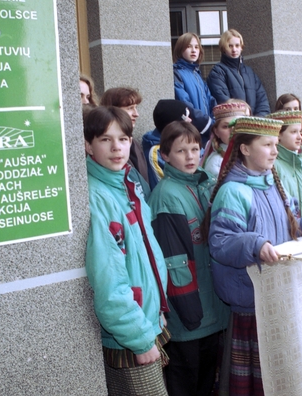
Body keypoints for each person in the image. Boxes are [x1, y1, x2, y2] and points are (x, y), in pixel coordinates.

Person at [206, 116, 302, 394]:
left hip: (276, 296)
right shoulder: (233, 192)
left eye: (275, 144)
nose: (275, 151)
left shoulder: (272, 185)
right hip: (251, 302)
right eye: (267, 144)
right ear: (244, 149)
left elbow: (290, 227)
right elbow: (220, 242)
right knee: (257, 385)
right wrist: (255, 245)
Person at [83, 106, 170, 396]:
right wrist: (140, 337)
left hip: (145, 320)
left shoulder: (128, 183)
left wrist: (157, 312)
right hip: (130, 335)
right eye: (105, 140)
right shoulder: (98, 197)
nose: (116, 147)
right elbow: (109, 283)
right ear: (88, 144)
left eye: (123, 139)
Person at [148, 121, 230, 396]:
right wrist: (190, 313)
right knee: (186, 383)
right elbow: (174, 261)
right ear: (165, 155)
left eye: (195, 149)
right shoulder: (167, 195)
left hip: (210, 309)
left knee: (207, 380)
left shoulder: (204, 183)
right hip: (189, 316)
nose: (191, 156)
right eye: (181, 151)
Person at [143, 100, 210, 189]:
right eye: (185, 117)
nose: (190, 120)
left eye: (194, 149)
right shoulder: (156, 152)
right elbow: (161, 185)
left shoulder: (187, 140)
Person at [207, 29, 270, 116]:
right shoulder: (218, 72)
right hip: (232, 124)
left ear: (241, 47)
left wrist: (258, 121)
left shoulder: (250, 72)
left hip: (254, 126)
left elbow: (262, 101)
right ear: (223, 48)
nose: (234, 49)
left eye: (237, 45)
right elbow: (223, 101)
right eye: (230, 46)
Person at [100, 87, 150, 186]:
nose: (136, 114)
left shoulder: (134, 143)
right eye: (130, 108)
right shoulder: (101, 147)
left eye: (136, 107)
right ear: (113, 110)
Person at [173, 32, 216, 138]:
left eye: (196, 47)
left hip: (207, 130)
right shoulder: (176, 72)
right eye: (188, 47)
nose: (193, 50)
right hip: (192, 130)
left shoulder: (196, 73)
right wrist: (208, 124)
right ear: (180, 49)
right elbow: (184, 103)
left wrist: (215, 119)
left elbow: (210, 100)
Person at [201, 100, 250, 178]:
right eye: (226, 126)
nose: (233, 130)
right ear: (216, 132)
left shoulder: (252, 154)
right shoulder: (216, 162)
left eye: (238, 125)